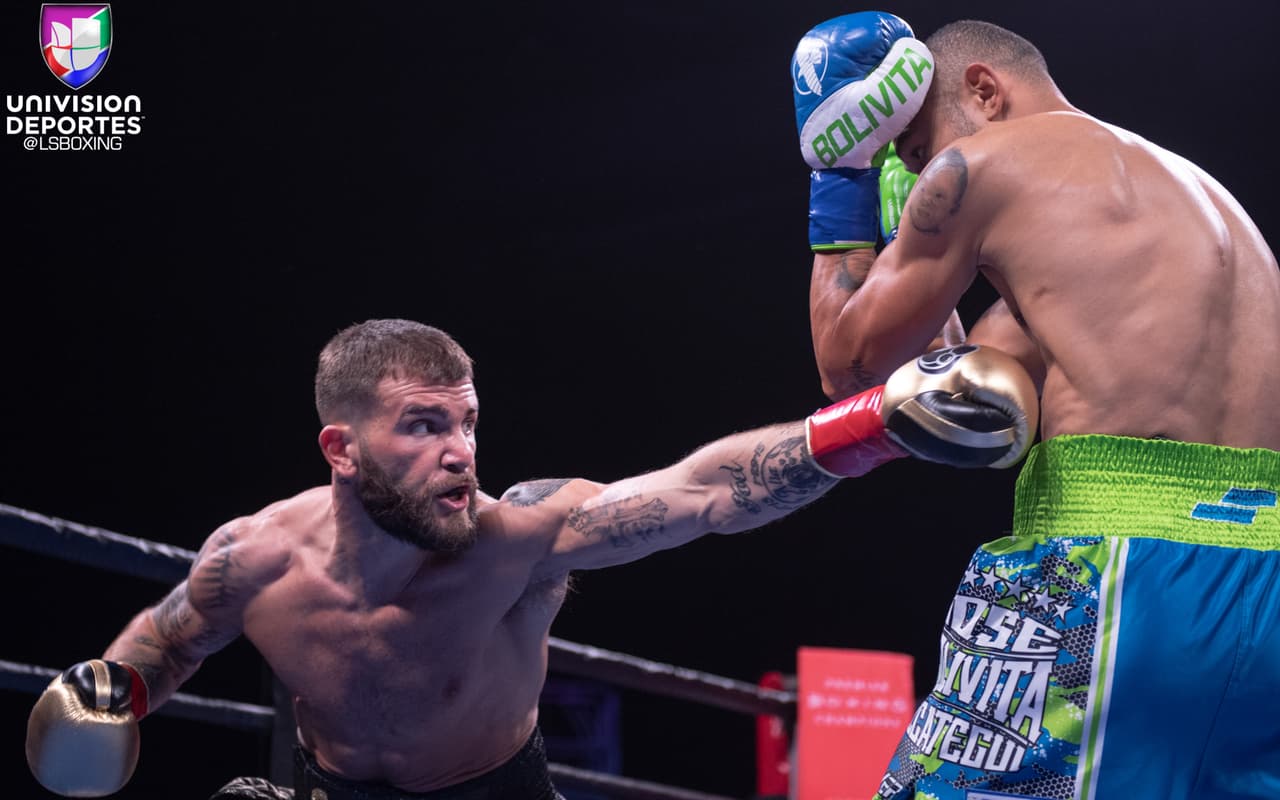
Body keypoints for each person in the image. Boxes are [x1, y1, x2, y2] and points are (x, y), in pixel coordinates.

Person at [25, 319, 1036, 799]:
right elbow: (164, 641)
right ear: (340, 449)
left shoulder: (523, 540)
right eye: (422, 427)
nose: (459, 449)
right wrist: (112, 691)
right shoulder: (251, 558)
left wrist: (871, 426)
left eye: (465, 423)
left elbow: (704, 491)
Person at [791, 11, 1280, 800]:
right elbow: (952, 378)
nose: (921, 177)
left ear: (982, 89)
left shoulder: (981, 164)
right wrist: (900, 229)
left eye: (916, 151)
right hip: (1265, 592)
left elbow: (849, 363)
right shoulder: (1197, 200)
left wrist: (839, 177)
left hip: (1114, 572)